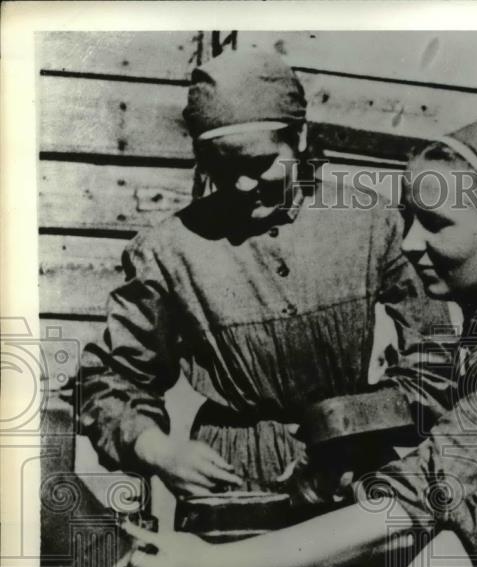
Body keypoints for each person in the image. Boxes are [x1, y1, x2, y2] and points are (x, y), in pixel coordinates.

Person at [123, 118, 477, 567]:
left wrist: (204, 563)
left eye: (435, 223)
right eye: (408, 219)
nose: (407, 242)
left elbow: (411, 504)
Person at [78, 49, 452, 509]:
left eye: (259, 165)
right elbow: (111, 378)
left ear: (301, 137)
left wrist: (355, 421)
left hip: (353, 471)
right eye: (220, 168)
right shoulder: (168, 251)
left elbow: (435, 358)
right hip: (233, 482)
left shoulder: (370, 221)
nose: (239, 185)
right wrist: (158, 449)